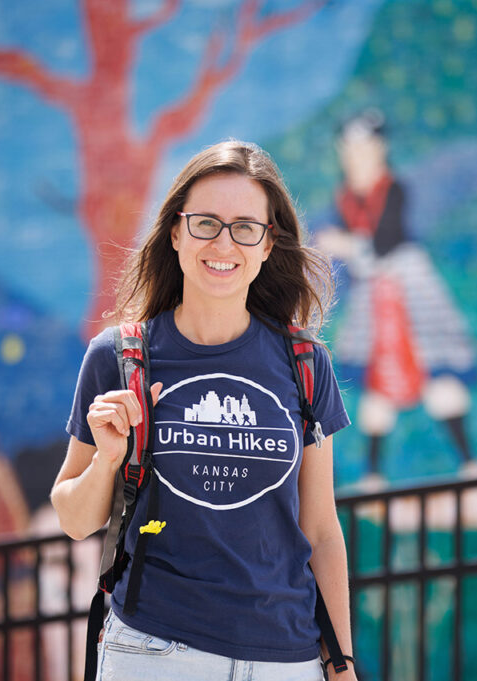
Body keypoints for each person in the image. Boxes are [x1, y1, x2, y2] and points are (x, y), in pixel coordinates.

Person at [51, 140, 356, 680]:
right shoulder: (120, 357)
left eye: (245, 227)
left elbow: (322, 530)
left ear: (267, 245)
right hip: (155, 654)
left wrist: (341, 664)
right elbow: (75, 521)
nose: (224, 242)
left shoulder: (306, 364)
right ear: (175, 233)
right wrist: (108, 458)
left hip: (289, 659)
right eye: (205, 223)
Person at [316, 110, 477, 489]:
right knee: (378, 383)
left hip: (409, 292)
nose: (356, 158)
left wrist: (348, 245)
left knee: (437, 376)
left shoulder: (395, 189)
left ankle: (470, 462)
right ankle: (374, 474)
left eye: (364, 149)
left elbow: (386, 239)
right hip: (374, 296)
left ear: (379, 149)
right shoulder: (345, 198)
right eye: (350, 151)